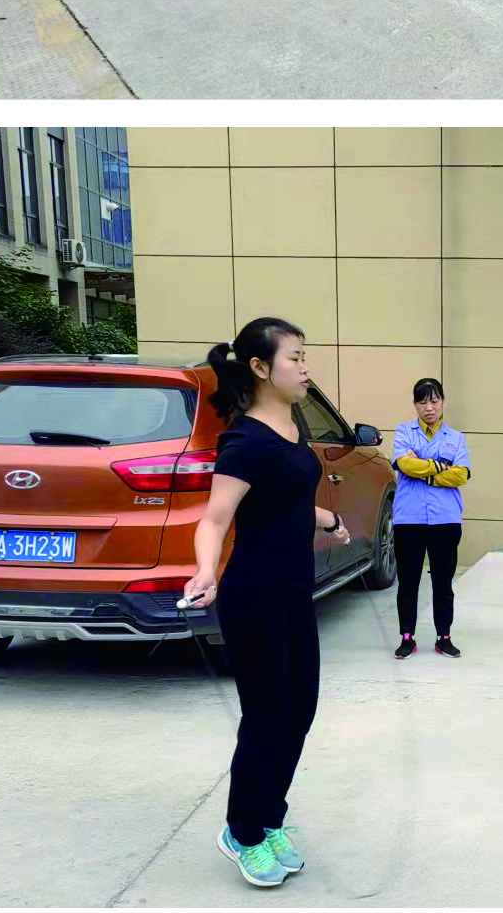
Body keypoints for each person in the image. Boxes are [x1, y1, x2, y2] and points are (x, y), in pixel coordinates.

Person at [179, 318, 345, 888]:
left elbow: (287, 499)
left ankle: (270, 817)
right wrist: (205, 571)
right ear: (259, 367)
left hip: (296, 593)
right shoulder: (244, 440)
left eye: (305, 356)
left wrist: (328, 519)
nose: (305, 367)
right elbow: (215, 519)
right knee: (267, 718)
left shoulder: (292, 425)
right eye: (295, 358)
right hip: (253, 598)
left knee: (300, 712)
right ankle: (242, 833)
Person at [386, 376, 470, 659]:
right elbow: (403, 464)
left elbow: (461, 474)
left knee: (443, 582)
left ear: (443, 402)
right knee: (408, 581)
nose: (429, 407)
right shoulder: (403, 431)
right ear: (415, 405)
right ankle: (407, 636)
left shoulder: (455, 437)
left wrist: (426, 474)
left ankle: (443, 636)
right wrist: (437, 466)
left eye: (434, 400)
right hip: (409, 518)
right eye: (422, 401)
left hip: (445, 519)